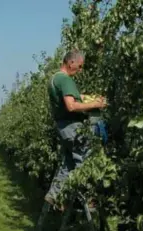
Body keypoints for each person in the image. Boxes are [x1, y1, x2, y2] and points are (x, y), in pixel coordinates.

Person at [44, 50, 106, 211]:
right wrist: (95, 104)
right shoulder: (66, 80)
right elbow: (71, 106)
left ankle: (54, 196)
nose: (80, 70)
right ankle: (85, 199)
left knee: (68, 164)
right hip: (73, 128)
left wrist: (84, 97)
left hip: (63, 128)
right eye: (79, 66)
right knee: (85, 161)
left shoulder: (54, 79)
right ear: (71, 63)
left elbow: (69, 98)